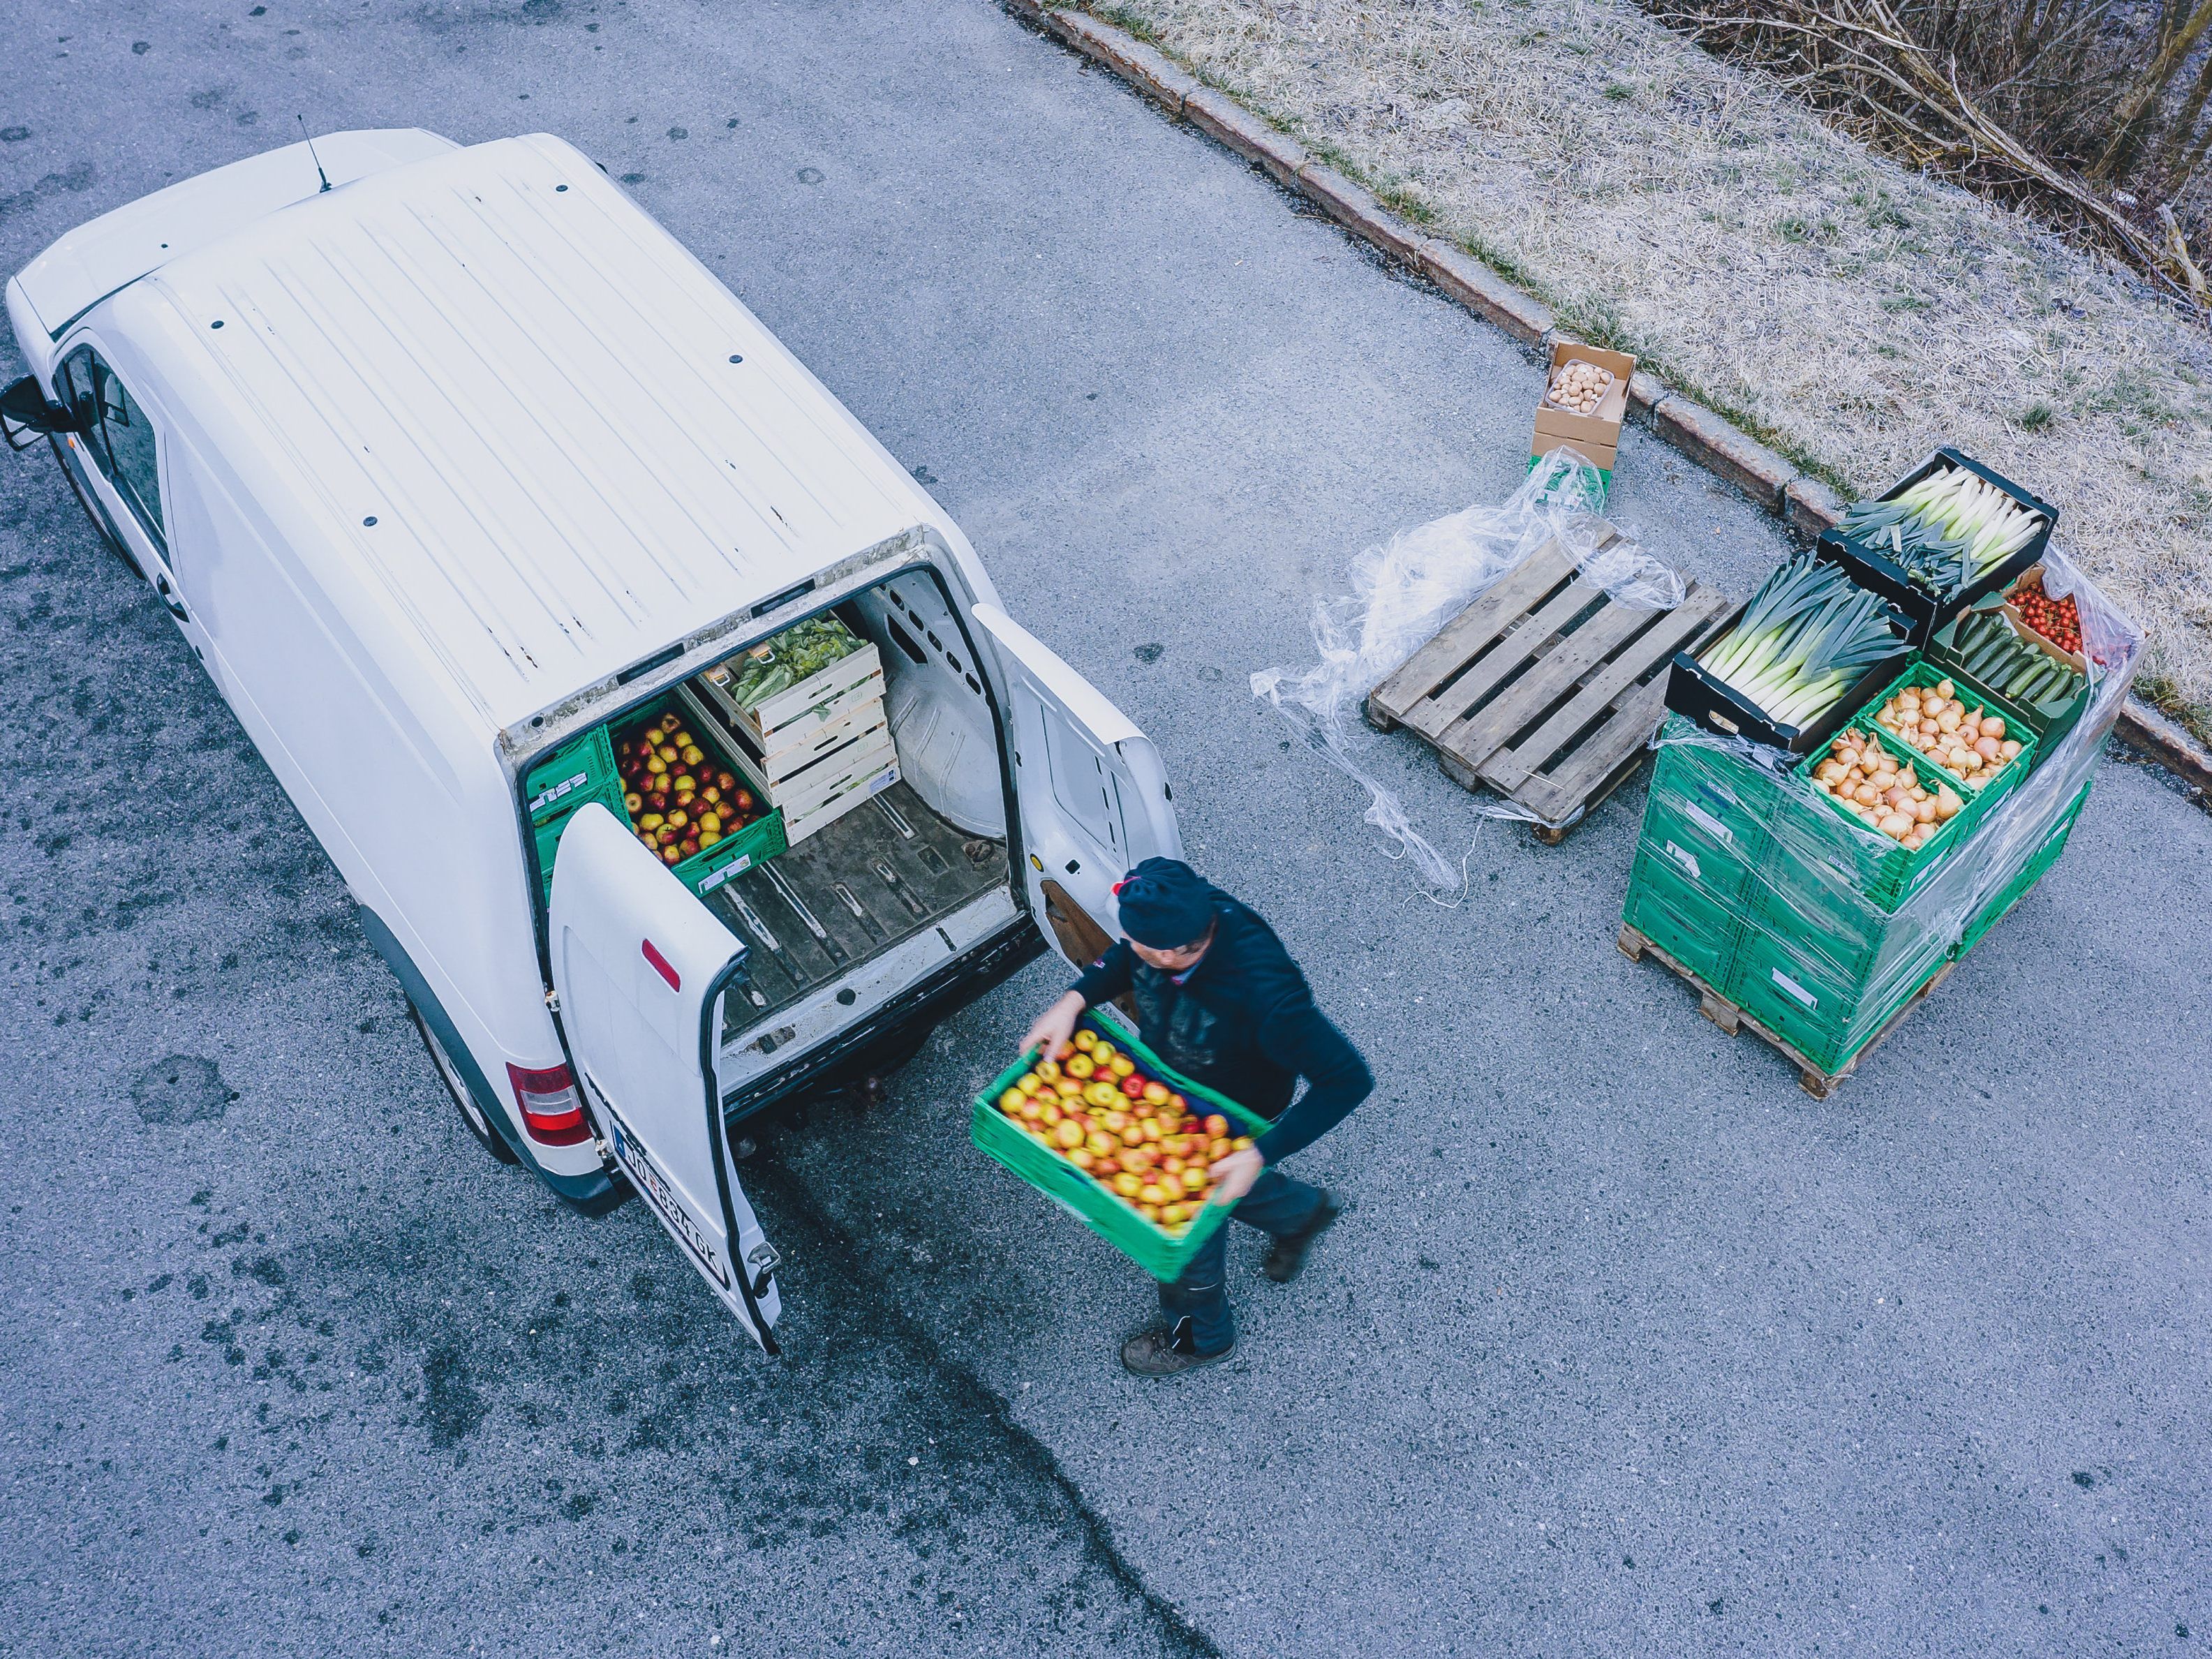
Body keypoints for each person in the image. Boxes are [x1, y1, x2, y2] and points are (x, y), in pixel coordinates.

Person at [1019, 857, 1373, 1376]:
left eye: (1140, 945)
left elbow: (1348, 1079)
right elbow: (1124, 959)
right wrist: (1073, 1001)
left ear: (1171, 950)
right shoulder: (1176, 906)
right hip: (1173, 1094)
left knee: (1183, 1246)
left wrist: (1259, 1151)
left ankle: (1199, 1339)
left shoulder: (1268, 996)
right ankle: (1301, 1212)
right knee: (1227, 1185)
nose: (1129, 947)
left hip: (1230, 1118)